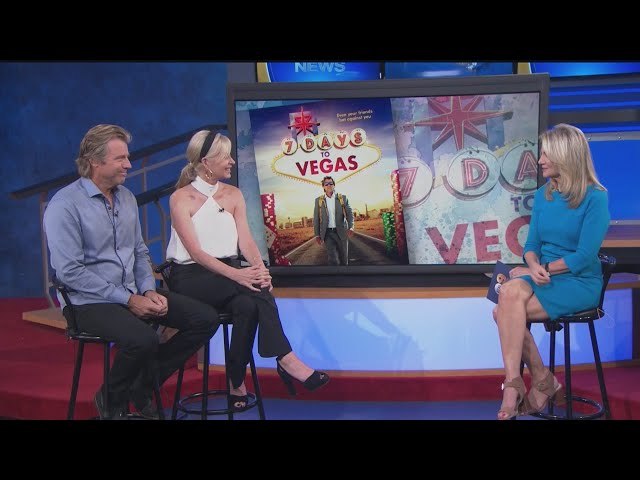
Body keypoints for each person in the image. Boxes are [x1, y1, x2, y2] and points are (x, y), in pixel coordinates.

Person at [43, 124, 219, 420]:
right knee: (143, 339)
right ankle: (111, 399)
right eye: (120, 158)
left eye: (128, 157)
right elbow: (70, 272)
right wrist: (128, 299)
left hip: (132, 291)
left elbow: (139, 251)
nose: (129, 164)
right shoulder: (64, 206)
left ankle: (144, 385)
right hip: (87, 301)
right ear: (94, 161)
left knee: (205, 319)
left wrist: (148, 289)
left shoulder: (125, 197)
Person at [165, 130, 330, 411]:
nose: (232, 161)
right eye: (225, 156)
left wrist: (259, 268)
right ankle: (286, 358)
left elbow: (247, 241)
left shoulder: (233, 195)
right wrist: (240, 276)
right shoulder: (181, 198)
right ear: (206, 162)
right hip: (191, 277)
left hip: (229, 276)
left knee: (249, 305)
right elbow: (196, 253)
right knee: (254, 288)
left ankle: (236, 382)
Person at [493, 123, 610, 420]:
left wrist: (541, 268)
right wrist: (533, 265)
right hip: (542, 275)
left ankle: (536, 382)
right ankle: (519, 382)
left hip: (578, 281)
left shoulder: (595, 198)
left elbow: (584, 256)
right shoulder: (544, 194)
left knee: (502, 312)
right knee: (508, 295)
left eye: (546, 154)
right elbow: (531, 244)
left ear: (565, 155)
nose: (540, 160)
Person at [312, 175, 354, 265]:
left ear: (334, 185)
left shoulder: (342, 198)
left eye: (331, 183)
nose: (329, 185)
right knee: (333, 259)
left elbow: (349, 213)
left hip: (342, 232)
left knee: (344, 260)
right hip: (328, 234)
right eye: (326, 184)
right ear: (323, 187)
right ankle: (335, 273)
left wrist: (351, 227)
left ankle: (344, 273)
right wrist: (317, 235)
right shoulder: (318, 201)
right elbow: (316, 218)